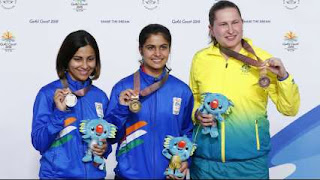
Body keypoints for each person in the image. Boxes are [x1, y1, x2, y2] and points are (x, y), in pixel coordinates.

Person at [189, 1, 300, 179]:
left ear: (242, 23)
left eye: (235, 22)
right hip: (205, 165)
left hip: (250, 165)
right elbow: (193, 98)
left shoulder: (263, 60)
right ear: (211, 29)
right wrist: (197, 113)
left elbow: (289, 109)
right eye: (223, 24)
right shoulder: (201, 59)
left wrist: (283, 77)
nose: (231, 30)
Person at [106, 24, 194, 179]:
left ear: (169, 49)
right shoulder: (123, 88)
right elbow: (110, 137)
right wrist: (121, 108)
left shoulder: (182, 90)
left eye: (163, 47)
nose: (158, 53)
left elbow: (188, 132)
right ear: (141, 49)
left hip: (168, 176)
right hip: (129, 176)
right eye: (151, 47)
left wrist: (187, 160)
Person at [31, 30, 111, 179]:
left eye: (90, 59)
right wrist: (59, 113)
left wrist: (104, 148)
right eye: (78, 59)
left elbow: (105, 138)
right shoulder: (48, 94)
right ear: (66, 60)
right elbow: (39, 143)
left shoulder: (100, 96)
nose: (85, 65)